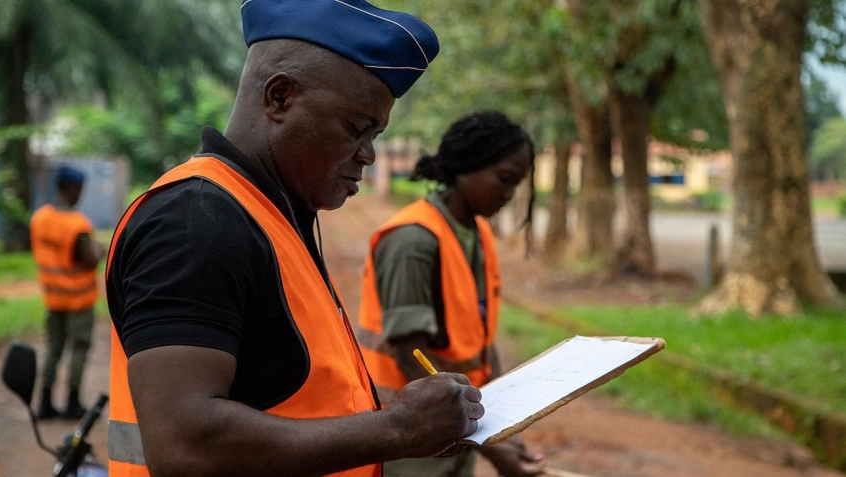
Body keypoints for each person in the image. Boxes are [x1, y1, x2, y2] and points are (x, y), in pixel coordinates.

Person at [104, 1, 484, 476]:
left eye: (376, 134)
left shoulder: (271, 214)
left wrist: (409, 426)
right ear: (279, 97)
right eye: (356, 128)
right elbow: (184, 445)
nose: (367, 154)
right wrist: (399, 430)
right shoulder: (195, 222)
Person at [358, 111, 544, 477]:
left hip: (458, 428)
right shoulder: (412, 240)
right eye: (504, 179)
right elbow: (412, 355)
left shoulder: (476, 233)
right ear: (466, 166)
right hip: (409, 438)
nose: (508, 195)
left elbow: (480, 338)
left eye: (516, 184)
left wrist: (498, 424)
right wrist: (487, 439)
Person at [30, 165, 105, 419]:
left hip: (53, 296)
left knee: (54, 348)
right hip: (79, 298)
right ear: (70, 188)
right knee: (79, 348)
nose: (80, 194)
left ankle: (45, 403)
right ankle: (73, 403)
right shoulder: (76, 224)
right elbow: (90, 259)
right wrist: (99, 249)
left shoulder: (39, 218)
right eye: (80, 189)